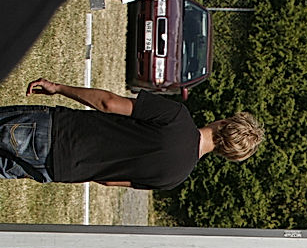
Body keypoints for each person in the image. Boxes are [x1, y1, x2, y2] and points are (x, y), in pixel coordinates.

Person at [0, 77, 263, 190]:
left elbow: (109, 104)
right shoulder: (175, 178)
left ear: (224, 122)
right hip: (59, 170)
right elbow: (109, 181)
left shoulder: (177, 117)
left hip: (58, 130)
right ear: (226, 154)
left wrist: (58, 88)